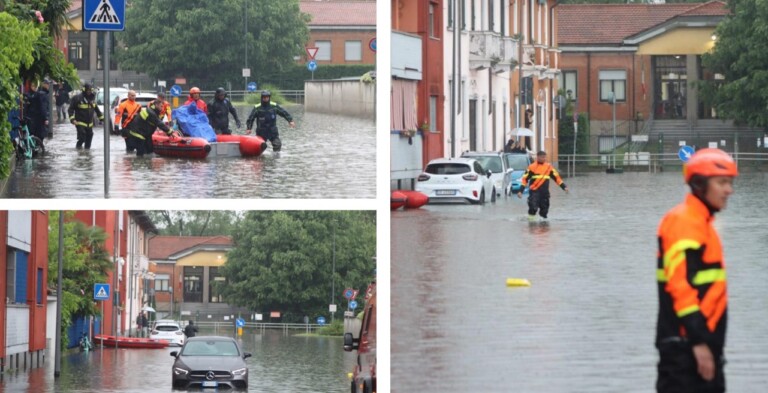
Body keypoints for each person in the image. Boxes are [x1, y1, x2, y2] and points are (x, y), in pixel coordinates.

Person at [655, 148, 737, 393]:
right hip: (687, 348)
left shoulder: (702, 224)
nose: (729, 190)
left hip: (699, 345)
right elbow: (681, 288)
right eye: (722, 182)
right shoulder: (685, 222)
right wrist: (699, 342)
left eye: (730, 183)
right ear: (700, 184)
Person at [517, 151, 568, 220]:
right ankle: (531, 225)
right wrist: (520, 191)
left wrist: (564, 187)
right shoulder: (531, 167)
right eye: (542, 157)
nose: (544, 159)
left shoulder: (549, 167)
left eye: (545, 157)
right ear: (537, 157)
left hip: (544, 193)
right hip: (534, 192)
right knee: (533, 207)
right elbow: (524, 179)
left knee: (544, 210)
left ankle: (543, 227)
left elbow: (557, 178)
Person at [68, 83, 104, 149]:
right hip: (80, 122)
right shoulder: (77, 98)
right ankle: (78, 150)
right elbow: (70, 109)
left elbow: (97, 110)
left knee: (89, 138)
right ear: (84, 90)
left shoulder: (92, 99)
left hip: (90, 124)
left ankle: (87, 154)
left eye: (90, 90)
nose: (89, 92)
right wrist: (73, 120)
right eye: (88, 90)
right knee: (82, 137)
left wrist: (102, 119)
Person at [25, 79, 51, 144]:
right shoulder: (42, 94)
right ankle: (37, 150)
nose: (48, 86)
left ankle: (34, 149)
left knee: (33, 135)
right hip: (38, 120)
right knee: (40, 136)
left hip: (31, 118)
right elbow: (43, 108)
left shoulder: (31, 95)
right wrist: (46, 118)